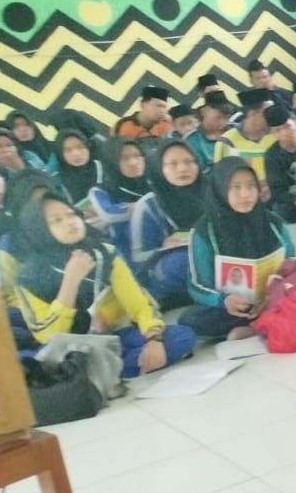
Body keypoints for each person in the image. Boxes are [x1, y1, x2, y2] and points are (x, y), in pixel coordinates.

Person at [14, 194, 196, 376]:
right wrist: (71, 281)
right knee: (28, 365)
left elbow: (138, 303)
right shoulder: (29, 278)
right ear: (38, 229)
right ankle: (110, 372)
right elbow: (49, 336)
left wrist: (153, 338)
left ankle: (99, 376)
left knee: (182, 336)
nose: (70, 222)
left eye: (71, 215)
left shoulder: (104, 253)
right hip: (69, 351)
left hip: (112, 338)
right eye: (57, 221)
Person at [183, 158, 296, 341]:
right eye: (236, 187)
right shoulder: (203, 231)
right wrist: (224, 301)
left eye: (251, 186)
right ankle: (270, 321)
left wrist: (273, 295)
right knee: (191, 319)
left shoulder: (272, 222)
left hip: (277, 297)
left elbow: (292, 264)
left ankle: (259, 325)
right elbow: (197, 285)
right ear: (220, 189)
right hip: (234, 308)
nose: (245, 194)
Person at [129, 140, 208, 308]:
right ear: (159, 168)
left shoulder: (213, 194)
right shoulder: (149, 204)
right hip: (171, 276)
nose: (183, 168)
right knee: (178, 262)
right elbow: (138, 257)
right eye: (173, 164)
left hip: (210, 261)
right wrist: (162, 249)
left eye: (189, 162)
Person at [262, 105, 296, 222]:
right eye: (278, 130)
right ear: (272, 133)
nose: (285, 133)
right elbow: (277, 190)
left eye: (287, 126)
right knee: (283, 211)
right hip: (293, 198)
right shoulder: (271, 155)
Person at [217, 88, 277, 177]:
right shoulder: (227, 141)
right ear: (253, 114)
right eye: (268, 112)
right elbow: (220, 177)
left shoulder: (276, 135)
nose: (273, 115)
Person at [53, 131, 104, 208]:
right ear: (61, 154)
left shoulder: (104, 167)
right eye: (68, 150)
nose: (76, 153)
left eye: (80, 147)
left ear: (88, 147)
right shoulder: (57, 181)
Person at [188, 92, 234, 168]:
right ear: (204, 112)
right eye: (218, 117)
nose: (224, 122)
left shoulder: (235, 134)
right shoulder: (192, 140)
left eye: (227, 118)